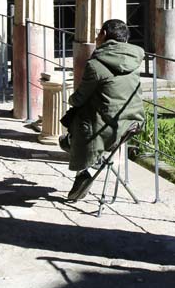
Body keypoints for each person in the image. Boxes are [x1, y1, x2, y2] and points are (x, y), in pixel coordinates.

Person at [59, 18, 145, 202]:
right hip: (132, 123)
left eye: (98, 33)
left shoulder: (95, 64)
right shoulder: (136, 60)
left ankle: (81, 170)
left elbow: (79, 98)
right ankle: (75, 149)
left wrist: (71, 98)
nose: (96, 37)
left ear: (104, 34)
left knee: (78, 117)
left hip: (106, 128)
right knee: (88, 114)